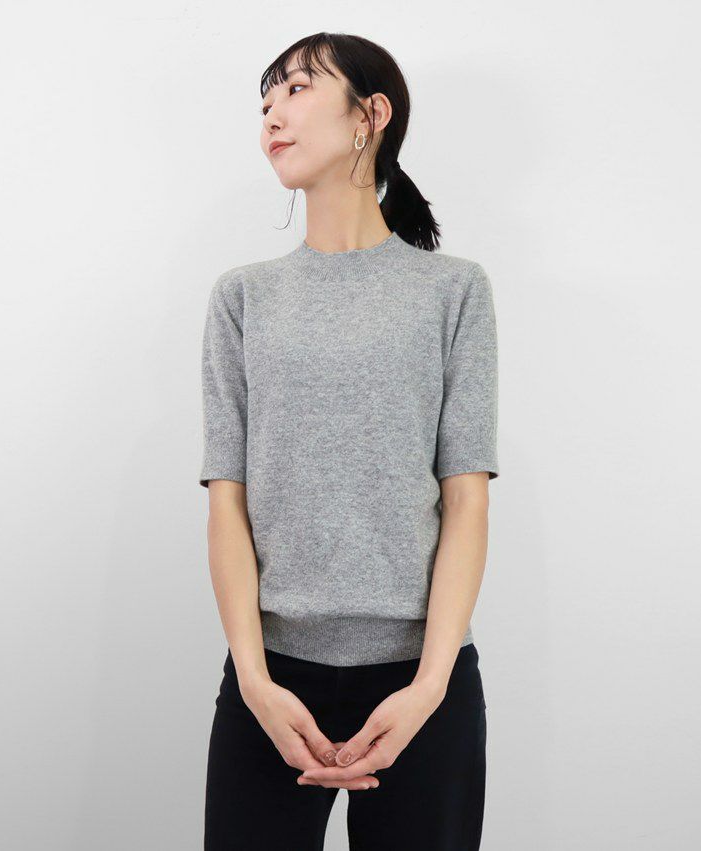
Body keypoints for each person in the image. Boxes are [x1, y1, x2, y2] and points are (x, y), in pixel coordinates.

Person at [199, 32, 499, 851]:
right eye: (264, 101)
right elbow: (227, 502)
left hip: (423, 680)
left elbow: (465, 501)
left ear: (371, 114)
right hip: (270, 680)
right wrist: (253, 680)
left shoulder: (452, 291)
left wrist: (429, 685)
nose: (271, 115)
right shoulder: (242, 298)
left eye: (296, 89)